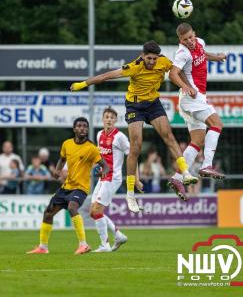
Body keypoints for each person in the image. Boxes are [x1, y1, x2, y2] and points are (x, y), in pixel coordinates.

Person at [70, 40, 197, 213]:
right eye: (149, 58)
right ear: (143, 56)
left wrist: (188, 86)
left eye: (154, 58)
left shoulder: (164, 61)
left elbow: (177, 72)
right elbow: (107, 76)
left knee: (169, 136)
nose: (151, 62)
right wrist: (83, 84)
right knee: (135, 147)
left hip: (153, 104)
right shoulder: (134, 67)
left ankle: (185, 173)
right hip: (134, 106)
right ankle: (130, 195)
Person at [27, 117, 109, 255]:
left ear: (87, 129)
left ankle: (84, 245)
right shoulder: (67, 144)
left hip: (81, 187)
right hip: (66, 187)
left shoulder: (91, 148)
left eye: (85, 126)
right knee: (48, 213)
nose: (82, 128)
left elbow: (105, 166)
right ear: (74, 129)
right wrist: (57, 171)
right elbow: (62, 159)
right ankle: (43, 247)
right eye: (79, 126)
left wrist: (103, 173)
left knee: (72, 207)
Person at [169, 23, 226, 185]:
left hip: (194, 99)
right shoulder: (182, 52)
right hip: (192, 98)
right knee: (217, 124)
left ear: (194, 33)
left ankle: (177, 178)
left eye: (190, 37)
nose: (189, 41)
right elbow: (173, 74)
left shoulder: (200, 42)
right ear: (180, 40)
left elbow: (203, 54)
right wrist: (186, 87)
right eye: (185, 39)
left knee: (198, 140)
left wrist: (217, 57)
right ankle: (207, 165)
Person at [90, 107, 139, 252]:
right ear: (103, 119)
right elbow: (100, 158)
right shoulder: (99, 134)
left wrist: (136, 178)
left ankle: (104, 245)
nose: (109, 119)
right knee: (93, 212)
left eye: (112, 117)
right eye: (107, 117)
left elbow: (133, 157)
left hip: (113, 178)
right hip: (103, 177)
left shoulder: (120, 137)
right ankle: (118, 235)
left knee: (97, 210)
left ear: (116, 120)